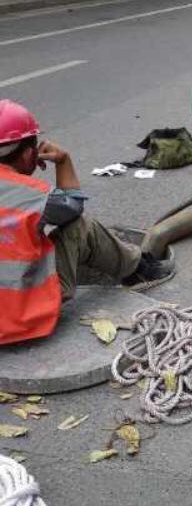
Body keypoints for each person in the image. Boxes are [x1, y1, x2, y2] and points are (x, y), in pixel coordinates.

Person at [0, 100, 173, 347]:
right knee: (79, 228)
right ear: (29, 153)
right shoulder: (32, 193)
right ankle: (138, 269)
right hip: (22, 317)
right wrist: (63, 161)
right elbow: (72, 208)